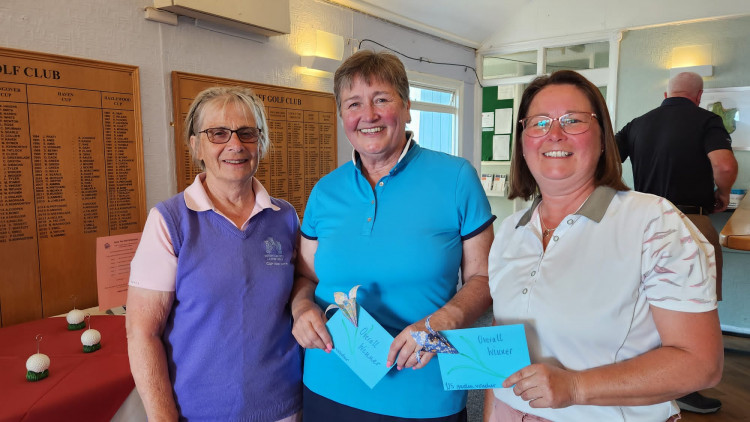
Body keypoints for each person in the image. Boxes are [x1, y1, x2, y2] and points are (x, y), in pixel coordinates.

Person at [484, 70, 723, 422]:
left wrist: (577, 387)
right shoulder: (509, 231)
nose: (554, 134)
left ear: (602, 140)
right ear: (523, 142)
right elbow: (501, 350)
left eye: (573, 120)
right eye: (538, 123)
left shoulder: (653, 223)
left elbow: (702, 364)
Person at [290, 50, 495, 421]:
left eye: (381, 99)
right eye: (354, 104)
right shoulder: (325, 191)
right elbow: (306, 276)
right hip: (328, 382)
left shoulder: (456, 179)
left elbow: (483, 278)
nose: (368, 115)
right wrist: (301, 308)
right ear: (342, 116)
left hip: (423, 392)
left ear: (406, 107)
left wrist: (443, 322)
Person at [126, 86, 302, 421]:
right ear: (196, 145)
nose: (235, 145)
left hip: (284, 407)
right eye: (218, 133)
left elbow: (298, 292)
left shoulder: (285, 217)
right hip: (198, 412)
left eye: (247, 133)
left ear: (261, 143)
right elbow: (142, 333)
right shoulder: (170, 221)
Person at [616, 71, 737, 413]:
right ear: (698, 96)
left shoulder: (639, 123)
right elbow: (724, 165)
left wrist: (624, 202)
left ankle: (641, 378)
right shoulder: (707, 120)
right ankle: (683, 384)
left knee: (643, 304)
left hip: (641, 225)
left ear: (667, 93)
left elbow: (603, 161)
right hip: (690, 221)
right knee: (694, 305)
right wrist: (723, 193)